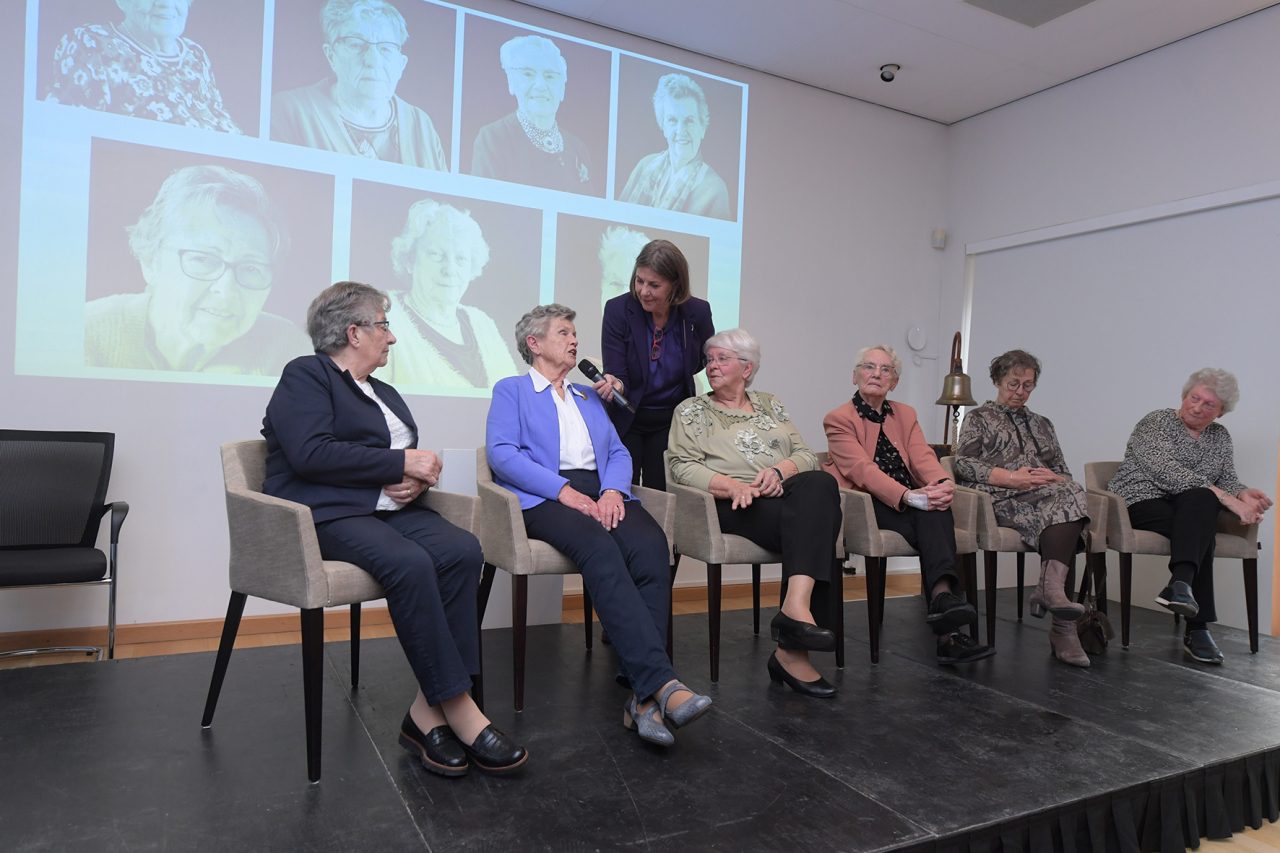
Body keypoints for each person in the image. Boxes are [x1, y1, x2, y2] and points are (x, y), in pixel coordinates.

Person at [262, 281, 527, 777]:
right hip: (328, 513)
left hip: (388, 510)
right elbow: (309, 453)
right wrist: (400, 463)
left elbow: (388, 465)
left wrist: (414, 482)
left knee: (464, 550)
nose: (393, 337)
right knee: (409, 563)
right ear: (353, 331)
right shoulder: (307, 375)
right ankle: (461, 711)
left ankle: (425, 714)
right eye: (384, 325)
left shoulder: (381, 391)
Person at [486, 304, 713, 747]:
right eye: (564, 332)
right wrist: (564, 492)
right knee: (600, 547)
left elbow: (618, 452)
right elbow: (502, 454)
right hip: (545, 494)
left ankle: (643, 700)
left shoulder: (588, 397)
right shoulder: (510, 389)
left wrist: (611, 491)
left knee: (651, 547)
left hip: (601, 490)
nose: (574, 340)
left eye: (575, 332)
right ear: (534, 344)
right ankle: (663, 685)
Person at [668, 329, 842, 697]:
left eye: (721, 359)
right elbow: (682, 467)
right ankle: (792, 648)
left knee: (820, 485)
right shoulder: (691, 410)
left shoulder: (770, 403)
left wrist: (779, 473)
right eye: (709, 359)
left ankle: (794, 609)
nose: (711, 366)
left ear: (747, 369)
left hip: (779, 495)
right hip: (732, 503)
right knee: (817, 526)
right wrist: (735, 486)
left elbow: (807, 456)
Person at [823, 345, 994, 666]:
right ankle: (948, 625)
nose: (877, 374)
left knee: (935, 507)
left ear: (894, 381)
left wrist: (942, 485)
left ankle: (943, 604)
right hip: (863, 504)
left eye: (885, 369)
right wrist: (908, 496)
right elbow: (862, 471)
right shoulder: (838, 418)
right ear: (855, 375)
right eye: (869, 367)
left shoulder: (905, 414)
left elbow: (923, 458)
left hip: (908, 502)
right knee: (930, 512)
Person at [1107, 367, 1272, 664]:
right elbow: (1166, 472)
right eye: (1194, 398)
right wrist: (1227, 500)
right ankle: (1197, 628)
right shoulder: (1156, 422)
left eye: (1208, 404)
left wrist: (1242, 493)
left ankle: (1180, 586)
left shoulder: (1220, 437)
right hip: (1141, 501)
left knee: (1200, 506)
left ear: (1220, 413)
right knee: (1201, 523)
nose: (1197, 407)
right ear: (1184, 396)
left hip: (1189, 509)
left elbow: (1226, 479)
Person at [84, 164, 309, 374]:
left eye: (251, 268)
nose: (227, 290)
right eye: (203, 260)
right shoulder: (86, 333)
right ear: (151, 262)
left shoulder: (290, 350)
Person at [952, 350, 1092, 667]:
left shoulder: (1043, 424)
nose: (1020, 391)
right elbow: (962, 464)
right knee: (1067, 508)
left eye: (1027, 385)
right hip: (997, 497)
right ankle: (1062, 627)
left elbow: (1064, 472)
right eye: (1013, 384)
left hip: (1043, 497)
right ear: (998, 381)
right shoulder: (979, 418)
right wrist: (1010, 478)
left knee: (1069, 496)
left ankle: (1051, 595)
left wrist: (1052, 477)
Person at [272, 0, 447, 169]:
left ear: (401, 64)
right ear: (331, 55)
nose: (373, 61)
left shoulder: (421, 125)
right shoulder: (289, 112)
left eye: (385, 48)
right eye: (356, 44)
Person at [599, 239, 714, 490]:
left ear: (675, 285)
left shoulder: (697, 312)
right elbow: (617, 369)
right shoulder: (618, 310)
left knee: (661, 492)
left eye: (654, 285)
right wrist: (616, 383)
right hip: (628, 414)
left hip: (671, 420)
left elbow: (706, 356)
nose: (643, 291)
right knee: (622, 489)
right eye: (639, 281)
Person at [380, 199, 517, 388]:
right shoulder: (384, 318)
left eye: (460, 258)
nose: (450, 269)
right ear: (410, 260)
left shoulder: (483, 324)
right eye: (436, 255)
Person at [44, 0, 240, 132]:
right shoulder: (91, 43)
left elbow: (219, 120)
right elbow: (68, 131)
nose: (165, 4)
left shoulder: (195, 54)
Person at [470, 35, 592, 193]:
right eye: (528, 74)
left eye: (550, 76)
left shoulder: (578, 148)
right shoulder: (492, 138)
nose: (541, 85)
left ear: (562, 88)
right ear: (511, 83)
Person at [620, 73, 730, 220]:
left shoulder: (715, 190)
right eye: (672, 120)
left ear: (702, 128)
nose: (680, 131)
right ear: (663, 126)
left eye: (689, 121)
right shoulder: (645, 165)